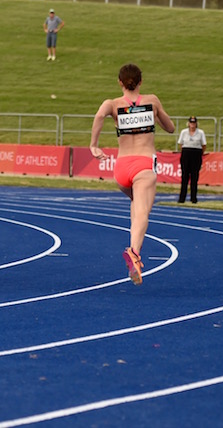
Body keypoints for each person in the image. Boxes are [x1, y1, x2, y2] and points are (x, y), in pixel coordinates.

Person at [90, 63, 175, 285]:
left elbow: (99, 116)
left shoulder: (112, 104)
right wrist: (153, 116)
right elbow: (171, 128)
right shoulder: (152, 101)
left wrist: (94, 145)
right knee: (143, 212)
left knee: (136, 205)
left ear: (120, 82)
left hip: (122, 168)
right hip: (144, 165)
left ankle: (133, 248)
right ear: (141, 82)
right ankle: (134, 253)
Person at [176, 116, 207, 204]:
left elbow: (204, 145)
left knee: (194, 177)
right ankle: (182, 198)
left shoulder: (200, 133)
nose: (192, 125)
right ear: (188, 123)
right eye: (191, 123)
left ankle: (194, 198)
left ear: (196, 124)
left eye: (194, 123)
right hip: (186, 153)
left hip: (196, 153)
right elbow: (181, 144)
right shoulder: (184, 132)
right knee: (184, 176)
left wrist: (200, 154)